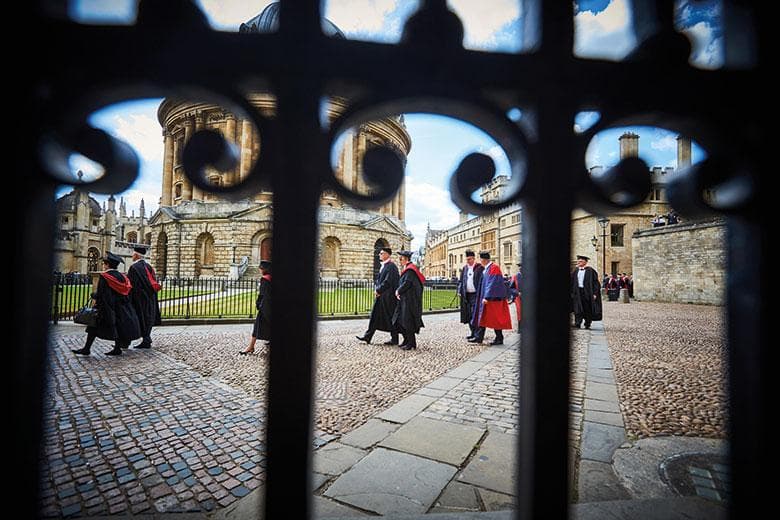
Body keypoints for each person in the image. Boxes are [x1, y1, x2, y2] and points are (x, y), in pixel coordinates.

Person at [72, 252, 140, 356]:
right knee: (118, 327)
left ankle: (87, 348)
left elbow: (102, 294)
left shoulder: (105, 277)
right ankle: (116, 348)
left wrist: (94, 295)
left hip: (107, 308)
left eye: (104, 264)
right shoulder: (123, 277)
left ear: (107, 264)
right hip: (122, 307)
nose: (103, 266)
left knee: (93, 326)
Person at [356, 247, 400, 345]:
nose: (380, 255)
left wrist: (378, 290)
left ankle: (395, 339)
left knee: (390, 317)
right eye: (380, 253)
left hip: (388, 297)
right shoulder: (384, 266)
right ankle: (367, 337)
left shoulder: (391, 266)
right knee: (374, 316)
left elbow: (388, 281)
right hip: (382, 296)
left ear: (387, 254)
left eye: (381, 253)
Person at [469, 251, 512, 345]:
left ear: (484, 260)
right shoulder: (487, 269)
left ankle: (499, 338)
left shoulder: (494, 268)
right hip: (487, 298)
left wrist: (487, 297)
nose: (480, 261)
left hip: (493, 299)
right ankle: (479, 337)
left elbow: (492, 284)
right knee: (482, 318)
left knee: (495, 319)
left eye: (480, 259)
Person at [127, 245, 161, 349]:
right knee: (147, 318)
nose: (132, 256)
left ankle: (127, 341)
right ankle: (146, 339)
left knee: (136, 318)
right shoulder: (149, 266)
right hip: (150, 297)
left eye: (133, 254)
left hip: (139, 298)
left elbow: (131, 284)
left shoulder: (134, 268)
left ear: (137, 255)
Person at [393, 251, 425, 350]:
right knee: (400, 320)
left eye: (401, 259)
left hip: (410, 301)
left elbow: (407, 283)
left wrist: (398, 291)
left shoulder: (410, 270)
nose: (400, 261)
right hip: (405, 300)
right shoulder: (408, 269)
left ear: (406, 259)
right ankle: (406, 340)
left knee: (407, 321)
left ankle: (411, 343)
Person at [241, 260, 272, 355]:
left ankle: (251, 347)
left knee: (257, 326)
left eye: (260, 268)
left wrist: (259, 305)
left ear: (263, 269)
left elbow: (262, 295)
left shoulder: (265, 279)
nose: (259, 270)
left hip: (265, 307)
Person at [570, 255, 602, 329]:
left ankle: (587, 324)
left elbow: (595, 283)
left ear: (585, 262)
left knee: (587, 308)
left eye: (580, 261)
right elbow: (571, 282)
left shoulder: (591, 271)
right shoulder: (575, 271)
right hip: (577, 292)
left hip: (587, 293)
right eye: (578, 261)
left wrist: (595, 293)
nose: (578, 262)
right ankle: (577, 323)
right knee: (577, 309)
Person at [457, 250, 484, 340]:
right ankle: (472, 333)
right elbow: (461, 281)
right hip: (466, 295)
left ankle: (478, 335)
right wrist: (459, 290)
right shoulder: (465, 268)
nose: (468, 261)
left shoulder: (479, 268)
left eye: (469, 259)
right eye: (467, 259)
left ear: (473, 258)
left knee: (475, 314)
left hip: (476, 295)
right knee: (468, 314)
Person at [508, 263, 522, 332]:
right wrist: (517, 293)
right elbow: (511, 288)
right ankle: (520, 328)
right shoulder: (515, 277)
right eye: (520, 267)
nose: (521, 268)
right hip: (519, 298)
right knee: (520, 313)